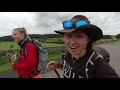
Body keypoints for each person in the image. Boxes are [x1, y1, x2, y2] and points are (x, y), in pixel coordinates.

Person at [46, 15, 119, 78]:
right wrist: (58, 65)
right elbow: (71, 70)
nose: (72, 42)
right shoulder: (66, 53)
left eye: (79, 36)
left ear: (88, 39)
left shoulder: (97, 63)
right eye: (68, 36)